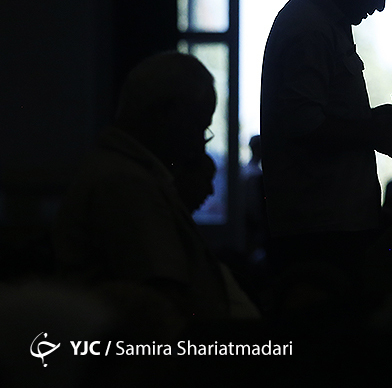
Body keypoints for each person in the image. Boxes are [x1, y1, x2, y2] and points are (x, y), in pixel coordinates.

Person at [52, 52, 259, 330]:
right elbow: (165, 299)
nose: (199, 144)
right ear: (167, 114)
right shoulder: (127, 184)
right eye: (199, 126)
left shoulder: (116, 171)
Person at [260, 0, 392, 272]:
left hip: (322, 225)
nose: (379, 6)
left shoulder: (318, 23)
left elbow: (309, 118)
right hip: (322, 232)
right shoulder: (311, 30)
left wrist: (370, 123)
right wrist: (372, 130)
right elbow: (303, 126)